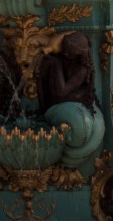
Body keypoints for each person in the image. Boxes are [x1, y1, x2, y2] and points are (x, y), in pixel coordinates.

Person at [36, 31, 106, 167]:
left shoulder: (83, 69)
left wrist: (55, 65)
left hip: (68, 105)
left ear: (78, 52)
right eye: (65, 49)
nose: (66, 54)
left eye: (70, 51)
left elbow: (62, 91)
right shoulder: (66, 59)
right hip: (55, 104)